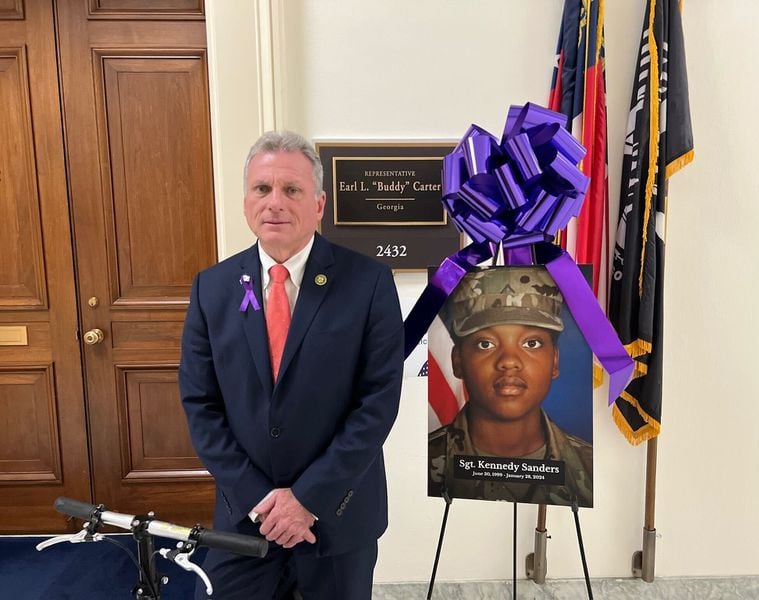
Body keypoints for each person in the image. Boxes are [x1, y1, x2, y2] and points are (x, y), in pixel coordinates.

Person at [179, 131, 404, 599]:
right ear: (245, 203)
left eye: (292, 190)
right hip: (245, 518)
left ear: (319, 204)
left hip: (337, 516)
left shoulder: (369, 284)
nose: (275, 203)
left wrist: (307, 500)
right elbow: (201, 405)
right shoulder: (212, 289)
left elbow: (376, 405)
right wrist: (262, 501)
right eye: (262, 189)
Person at [428, 266, 592, 507]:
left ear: (555, 361)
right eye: (485, 344)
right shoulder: (427, 461)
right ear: (458, 361)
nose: (509, 362)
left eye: (532, 343)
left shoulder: (588, 466)